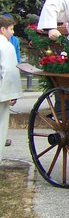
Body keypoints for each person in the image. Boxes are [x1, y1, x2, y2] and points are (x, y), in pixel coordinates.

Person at [0, 15, 21, 162]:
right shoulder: (6, 46)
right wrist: (11, 94)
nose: (12, 33)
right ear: (3, 29)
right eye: (11, 29)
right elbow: (8, 71)